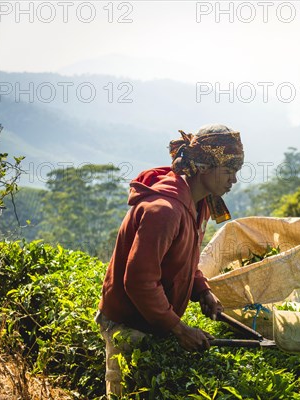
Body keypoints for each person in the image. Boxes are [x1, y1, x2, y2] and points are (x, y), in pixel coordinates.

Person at [95, 124, 244, 397]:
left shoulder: (201, 204)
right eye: (229, 170)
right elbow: (139, 281)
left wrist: (202, 289)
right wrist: (179, 328)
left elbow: (185, 257)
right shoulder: (164, 211)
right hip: (128, 323)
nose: (234, 179)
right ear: (204, 166)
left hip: (153, 320)